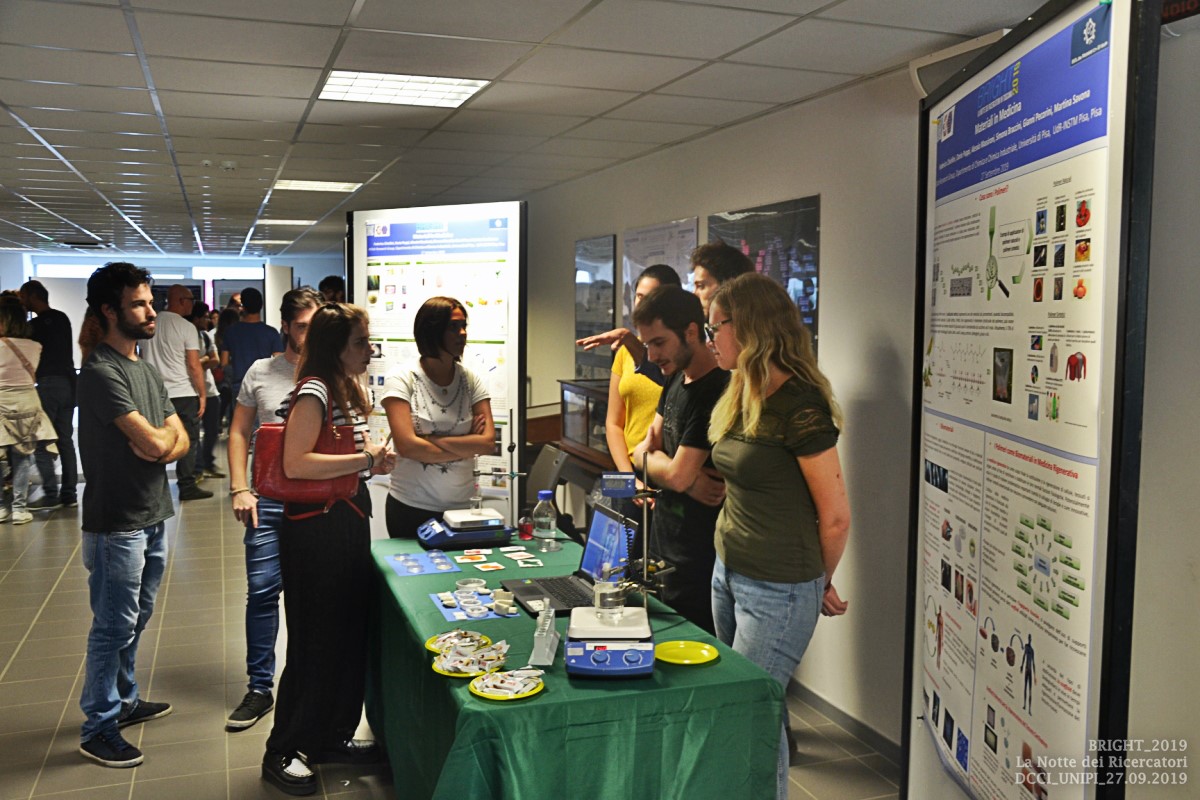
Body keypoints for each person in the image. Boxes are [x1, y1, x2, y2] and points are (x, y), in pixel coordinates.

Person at [705, 273, 851, 800]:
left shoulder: (800, 405)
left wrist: (817, 582)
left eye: (715, 327)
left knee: (754, 718)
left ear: (748, 328)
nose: (710, 338)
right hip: (729, 570)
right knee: (740, 707)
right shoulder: (741, 390)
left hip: (778, 588)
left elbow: (836, 517)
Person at [262, 303, 394, 796]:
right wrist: (365, 459)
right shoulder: (315, 390)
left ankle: (329, 736)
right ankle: (284, 748)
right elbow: (296, 463)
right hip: (316, 531)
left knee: (343, 634)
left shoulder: (340, 387)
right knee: (315, 640)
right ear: (335, 346)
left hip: (343, 520)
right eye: (360, 342)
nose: (368, 350)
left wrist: (367, 463)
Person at [77, 262, 189, 767]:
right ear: (109, 310)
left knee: (136, 618)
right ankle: (98, 726)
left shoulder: (143, 367)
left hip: (152, 513)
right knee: (112, 626)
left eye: (150, 302)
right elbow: (159, 442)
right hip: (116, 523)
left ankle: (124, 701)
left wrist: (162, 445)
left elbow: (176, 439)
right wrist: (161, 444)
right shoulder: (101, 371)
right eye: (139, 304)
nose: (151, 312)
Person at [226, 287, 319, 731]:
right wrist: (239, 488)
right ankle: (260, 688)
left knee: (314, 595)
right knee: (263, 592)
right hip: (268, 500)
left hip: (317, 501)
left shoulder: (332, 371)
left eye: (315, 326)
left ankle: (309, 684)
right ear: (285, 326)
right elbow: (239, 432)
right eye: (301, 326)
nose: (308, 334)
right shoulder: (261, 371)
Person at [629, 286, 728, 633]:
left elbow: (673, 473)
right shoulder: (675, 378)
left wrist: (677, 475)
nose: (653, 355)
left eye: (659, 342)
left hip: (698, 560)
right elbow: (639, 450)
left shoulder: (716, 389)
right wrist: (682, 477)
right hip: (663, 546)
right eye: (647, 345)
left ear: (691, 331)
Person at [381, 296, 493, 539]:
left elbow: (487, 443)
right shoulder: (401, 378)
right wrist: (467, 443)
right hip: (411, 507)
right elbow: (407, 447)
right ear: (431, 331)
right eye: (453, 327)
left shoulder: (471, 379)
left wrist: (429, 440)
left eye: (463, 326)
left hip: (463, 509)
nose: (462, 333)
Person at [576, 240, 753, 385]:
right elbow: (675, 382)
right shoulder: (706, 334)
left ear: (728, 286)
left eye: (701, 286)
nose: (694, 294)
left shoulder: (750, 343)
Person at [604, 265, 680, 522]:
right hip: (627, 471)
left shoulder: (679, 355)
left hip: (666, 472)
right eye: (639, 297)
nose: (643, 305)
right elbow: (613, 423)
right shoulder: (624, 351)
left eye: (652, 299)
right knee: (617, 546)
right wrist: (629, 480)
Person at [139, 284, 210, 501]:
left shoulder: (149, 324)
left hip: (155, 394)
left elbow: (140, 357)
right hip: (183, 392)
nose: (192, 305)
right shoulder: (186, 327)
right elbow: (194, 365)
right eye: (190, 300)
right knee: (188, 439)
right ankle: (186, 485)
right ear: (180, 301)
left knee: (156, 440)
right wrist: (202, 394)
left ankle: (155, 487)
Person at [18, 280, 78, 509]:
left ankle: (51, 495)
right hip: (69, 384)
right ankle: (69, 495)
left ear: (33, 296)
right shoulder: (62, 318)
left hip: (48, 384)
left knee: (42, 441)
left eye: (23, 297)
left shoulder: (33, 326)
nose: (22, 301)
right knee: (65, 441)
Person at [0, 296, 59, 525]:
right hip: (28, 403)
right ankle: (19, 508)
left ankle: (1, 507)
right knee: (23, 456)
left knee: (1, 458)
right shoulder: (35, 346)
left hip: (2, 403)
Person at [220, 287, 280, 400]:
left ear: (243, 306)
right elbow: (279, 361)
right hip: (264, 385)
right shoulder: (271, 332)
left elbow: (224, 363)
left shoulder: (231, 331)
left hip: (240, 385)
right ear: (261, 306)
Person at [189, 301, 224, 479]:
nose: (208, 320)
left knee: (212, 430)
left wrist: (199, 361)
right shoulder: (187, 335)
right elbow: (188, 364)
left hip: (210, 390)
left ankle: (206, 463)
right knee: (193, 433)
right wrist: (202, 360)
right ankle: (197, 469)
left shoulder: (206, 336)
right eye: (205, 317)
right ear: (196, 318)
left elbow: (216, 360)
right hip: (191, 391)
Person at [215, 307, 241, 432]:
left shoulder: (216, 336)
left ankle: (218, 423)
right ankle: (232, 428)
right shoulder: (237, 335)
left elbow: (222, 362)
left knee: (224, 398)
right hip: (235, 371)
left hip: (220, 374)